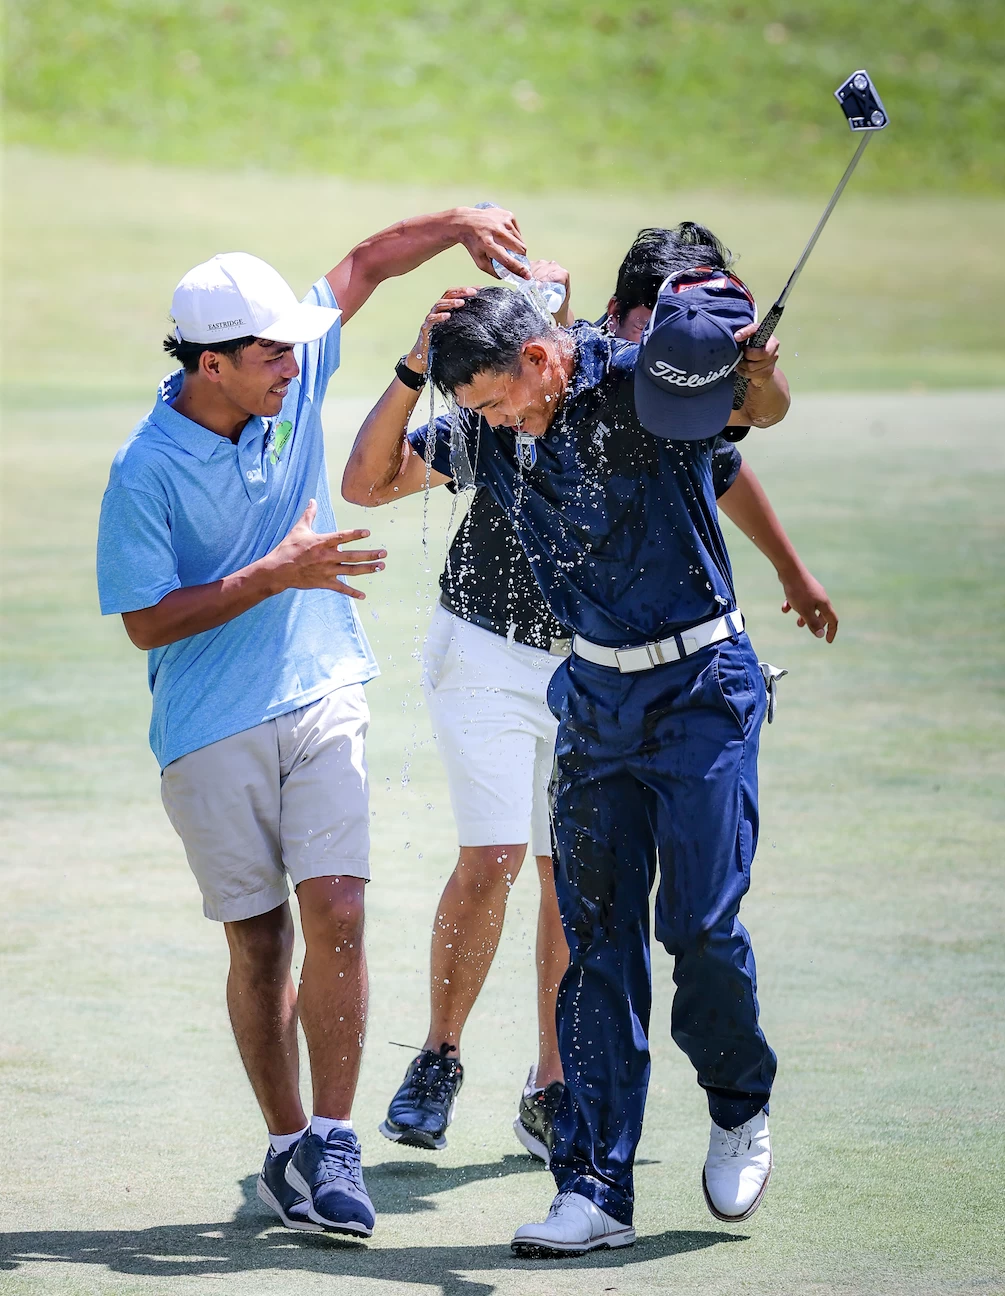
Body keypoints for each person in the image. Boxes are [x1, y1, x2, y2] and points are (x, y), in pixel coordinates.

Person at [343, 261, 834, 1255]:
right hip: (596, 702)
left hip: (702, 689)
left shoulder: (639, 384)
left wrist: (762, 375)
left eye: (499, 400)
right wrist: (410, 364)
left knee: (694, 926)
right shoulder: (495, 423)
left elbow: (753, 410)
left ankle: (738, 1100)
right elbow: (373, 477)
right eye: (479, 410)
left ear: (540, 357)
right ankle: (597, 1185)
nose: (500, 422)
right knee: (595, 941)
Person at [95, 203, 527, 1238]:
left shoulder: (290, 366)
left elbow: (369, 261)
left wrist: (460, 221)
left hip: (322, 687)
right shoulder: (142, 471)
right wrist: (275, 573)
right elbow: (147, 623)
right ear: (211, 366)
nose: (295, 365)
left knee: (337, 909)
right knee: (260, 944)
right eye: (271, 355)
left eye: (295, 347)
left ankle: (336, 1139)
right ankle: (288, 1140)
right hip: (205, 727)